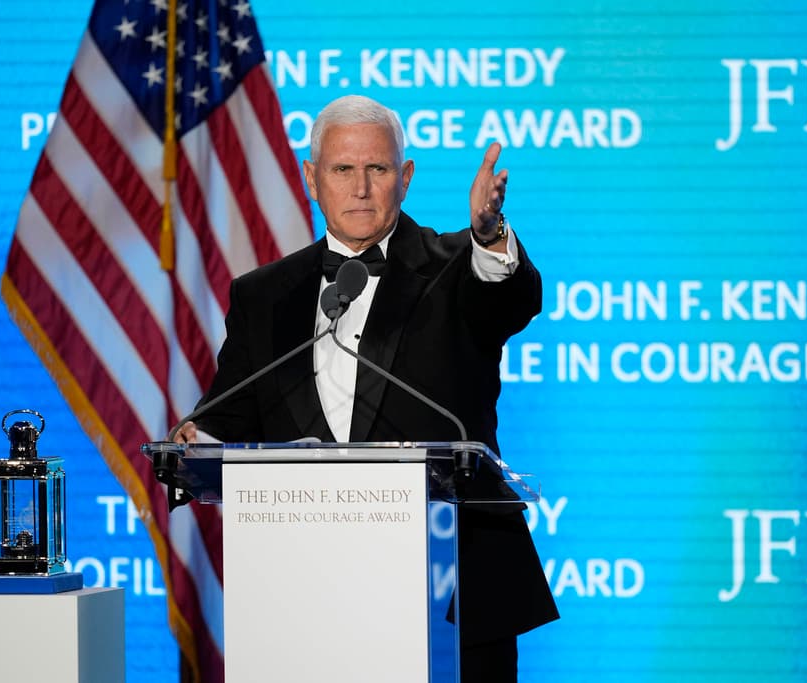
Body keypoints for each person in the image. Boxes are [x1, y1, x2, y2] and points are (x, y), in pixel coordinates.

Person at [175, 94, 558, 681]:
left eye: (377, 169)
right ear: (311, 177)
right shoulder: (263, 295)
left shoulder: (459, 266)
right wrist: (197, 438)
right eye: (342, 169)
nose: (360, 188)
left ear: (404, 178)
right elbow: (230, 414)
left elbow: (509, 297)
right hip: (305, 603)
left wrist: (488, 233)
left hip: (454, 596)